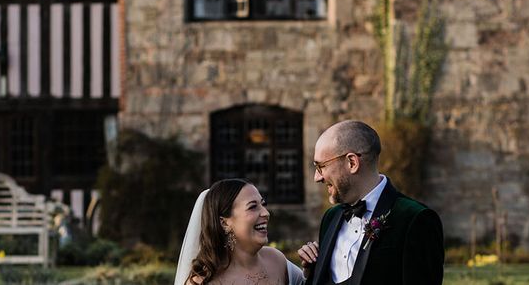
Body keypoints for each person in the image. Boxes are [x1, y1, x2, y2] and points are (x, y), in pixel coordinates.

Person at [297, 120, 444, 285]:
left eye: (320, 166)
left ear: (352, 163)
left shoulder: (416, 219)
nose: (317, 178)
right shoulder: (331, 217)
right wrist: (311, 272)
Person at [175, 178, 305, 285]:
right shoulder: (203, 281)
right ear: (224, 222)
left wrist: (311, 267)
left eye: (263, 204)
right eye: (252, 207)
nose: (266, 213)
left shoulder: (276, 260)